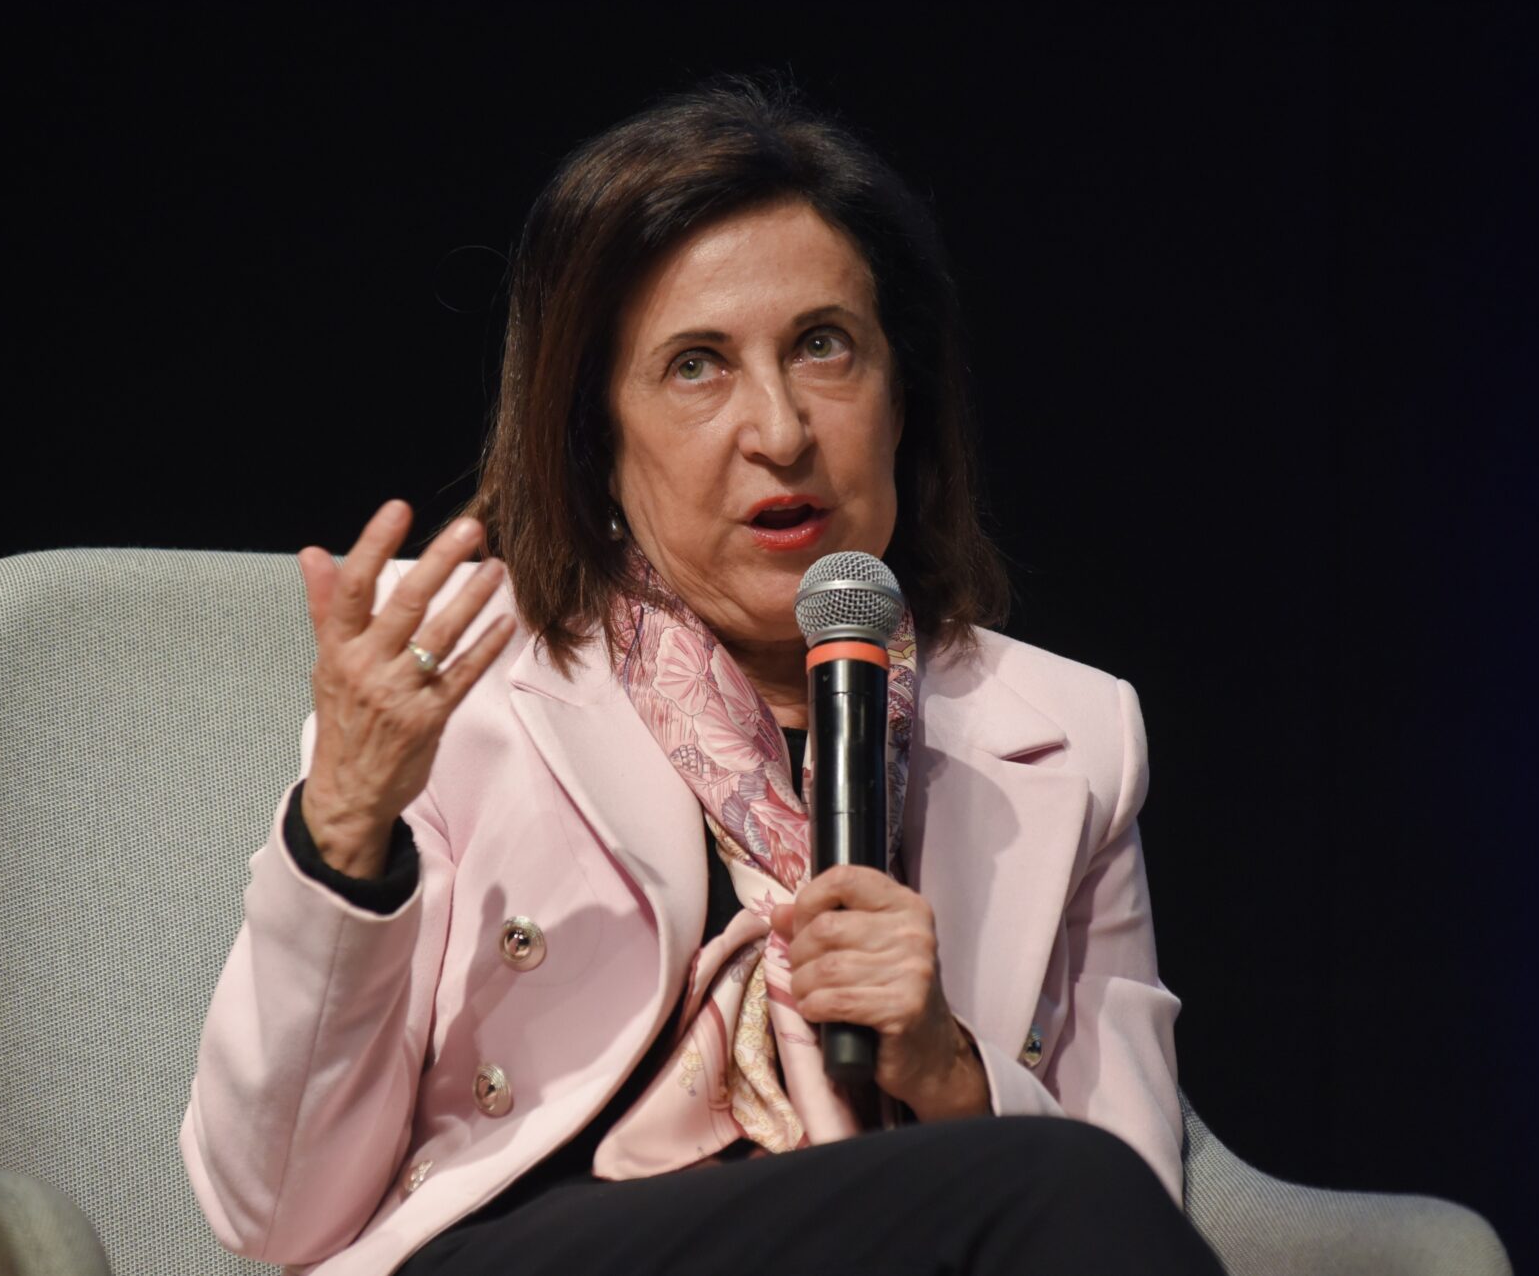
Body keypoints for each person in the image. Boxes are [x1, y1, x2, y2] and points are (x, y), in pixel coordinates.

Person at [181, 76, 1228, 1276]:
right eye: (697, 365)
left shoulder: (1072, 736)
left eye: (823, 347)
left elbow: (1131, 1207)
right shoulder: (461, 683)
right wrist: (345, 827)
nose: (779, 429)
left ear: (903, 398)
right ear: (595, 437)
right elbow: (272, 1212)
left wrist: (951, 1068)